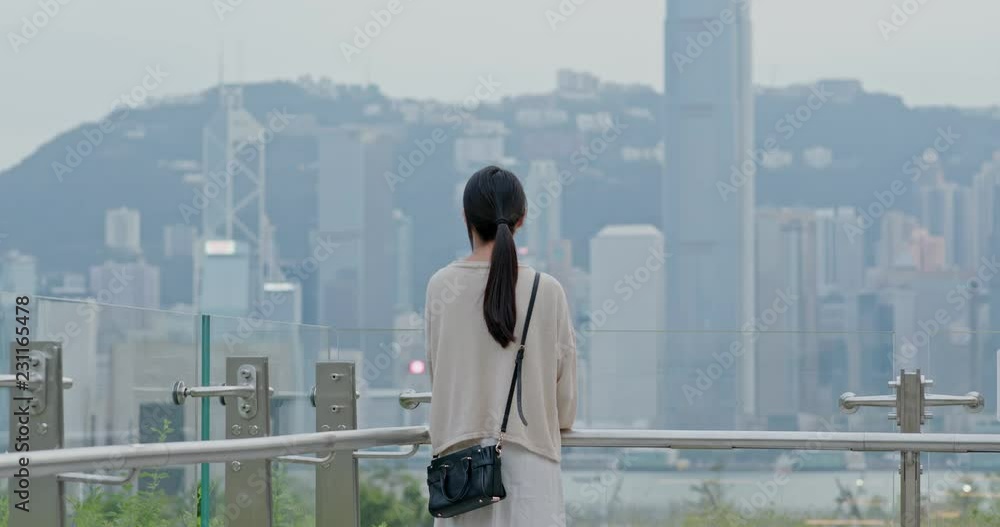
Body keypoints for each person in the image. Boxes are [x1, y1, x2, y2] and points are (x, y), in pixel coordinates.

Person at [424, 165, 578, 526]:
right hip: (531, 466)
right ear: (521, 219)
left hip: (459, 471)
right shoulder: (547, 289)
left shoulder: (440, 286)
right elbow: (565, 401)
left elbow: (439, 375)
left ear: (466, 217)